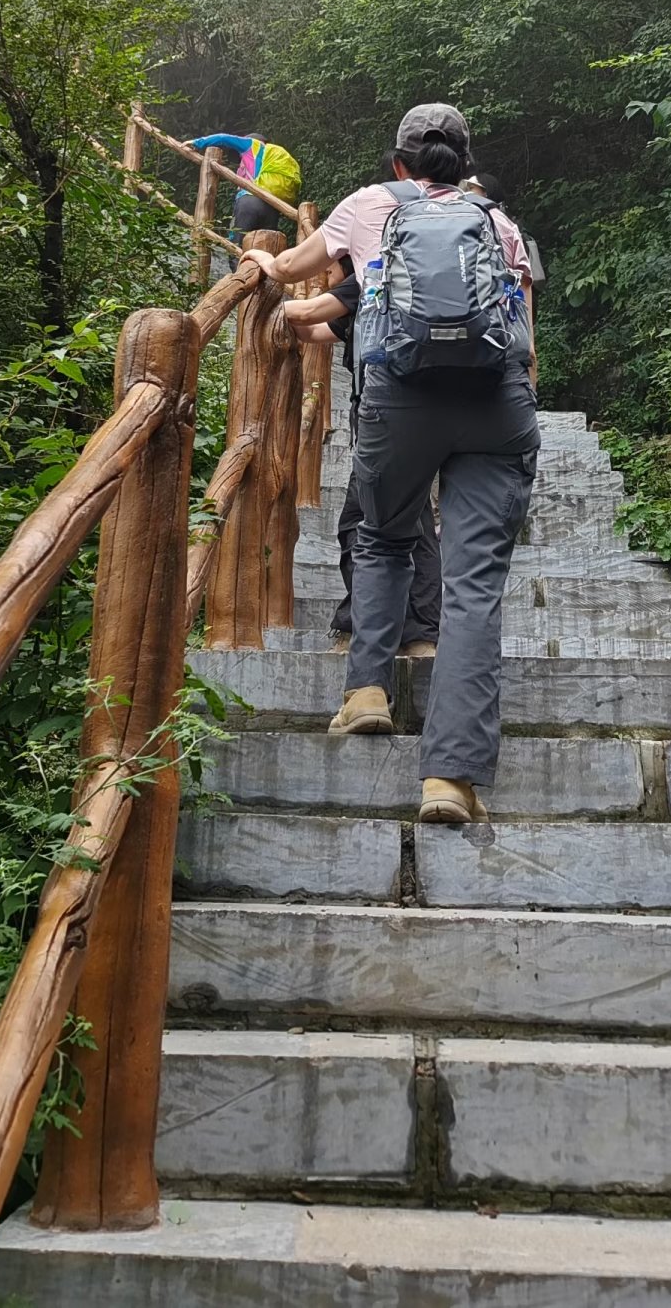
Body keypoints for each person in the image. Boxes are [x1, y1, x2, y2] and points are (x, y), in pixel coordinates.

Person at [245, 102, 539, 829]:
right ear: (464, 163)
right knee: (473, 590)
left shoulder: (366, 206)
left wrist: (259, 260)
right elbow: (524, 338)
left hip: (400, 398)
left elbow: (287, 268)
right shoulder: (497, 223)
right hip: (494, 403)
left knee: (382, 533)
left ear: (400, 161)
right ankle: (450, 776)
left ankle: (366, 693)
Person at [284, 260, 442, 658]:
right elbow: (312, 331)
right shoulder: (379, 293)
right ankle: (421, 635)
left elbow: (304, 315)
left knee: (359, 523)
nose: (326, 277)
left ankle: (358, 629)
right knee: (417, 521)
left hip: (387, 426)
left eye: (329, 268)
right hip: (421, 421)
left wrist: (267, 282)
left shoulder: (366, 281)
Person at [466, 167, 546, 325]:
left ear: (485, 192)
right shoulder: (508, 223)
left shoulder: (494, 223)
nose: (465, 193)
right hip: (512, 311)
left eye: (471, 188)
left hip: (495, 306)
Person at [188, 130, 302, 239]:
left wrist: (197, 143)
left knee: (237, 245)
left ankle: (233, 259)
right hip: (272, 206)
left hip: (249, 202)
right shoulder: (272, 156)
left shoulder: (251, 145)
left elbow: (224, 138)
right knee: (264, 249)